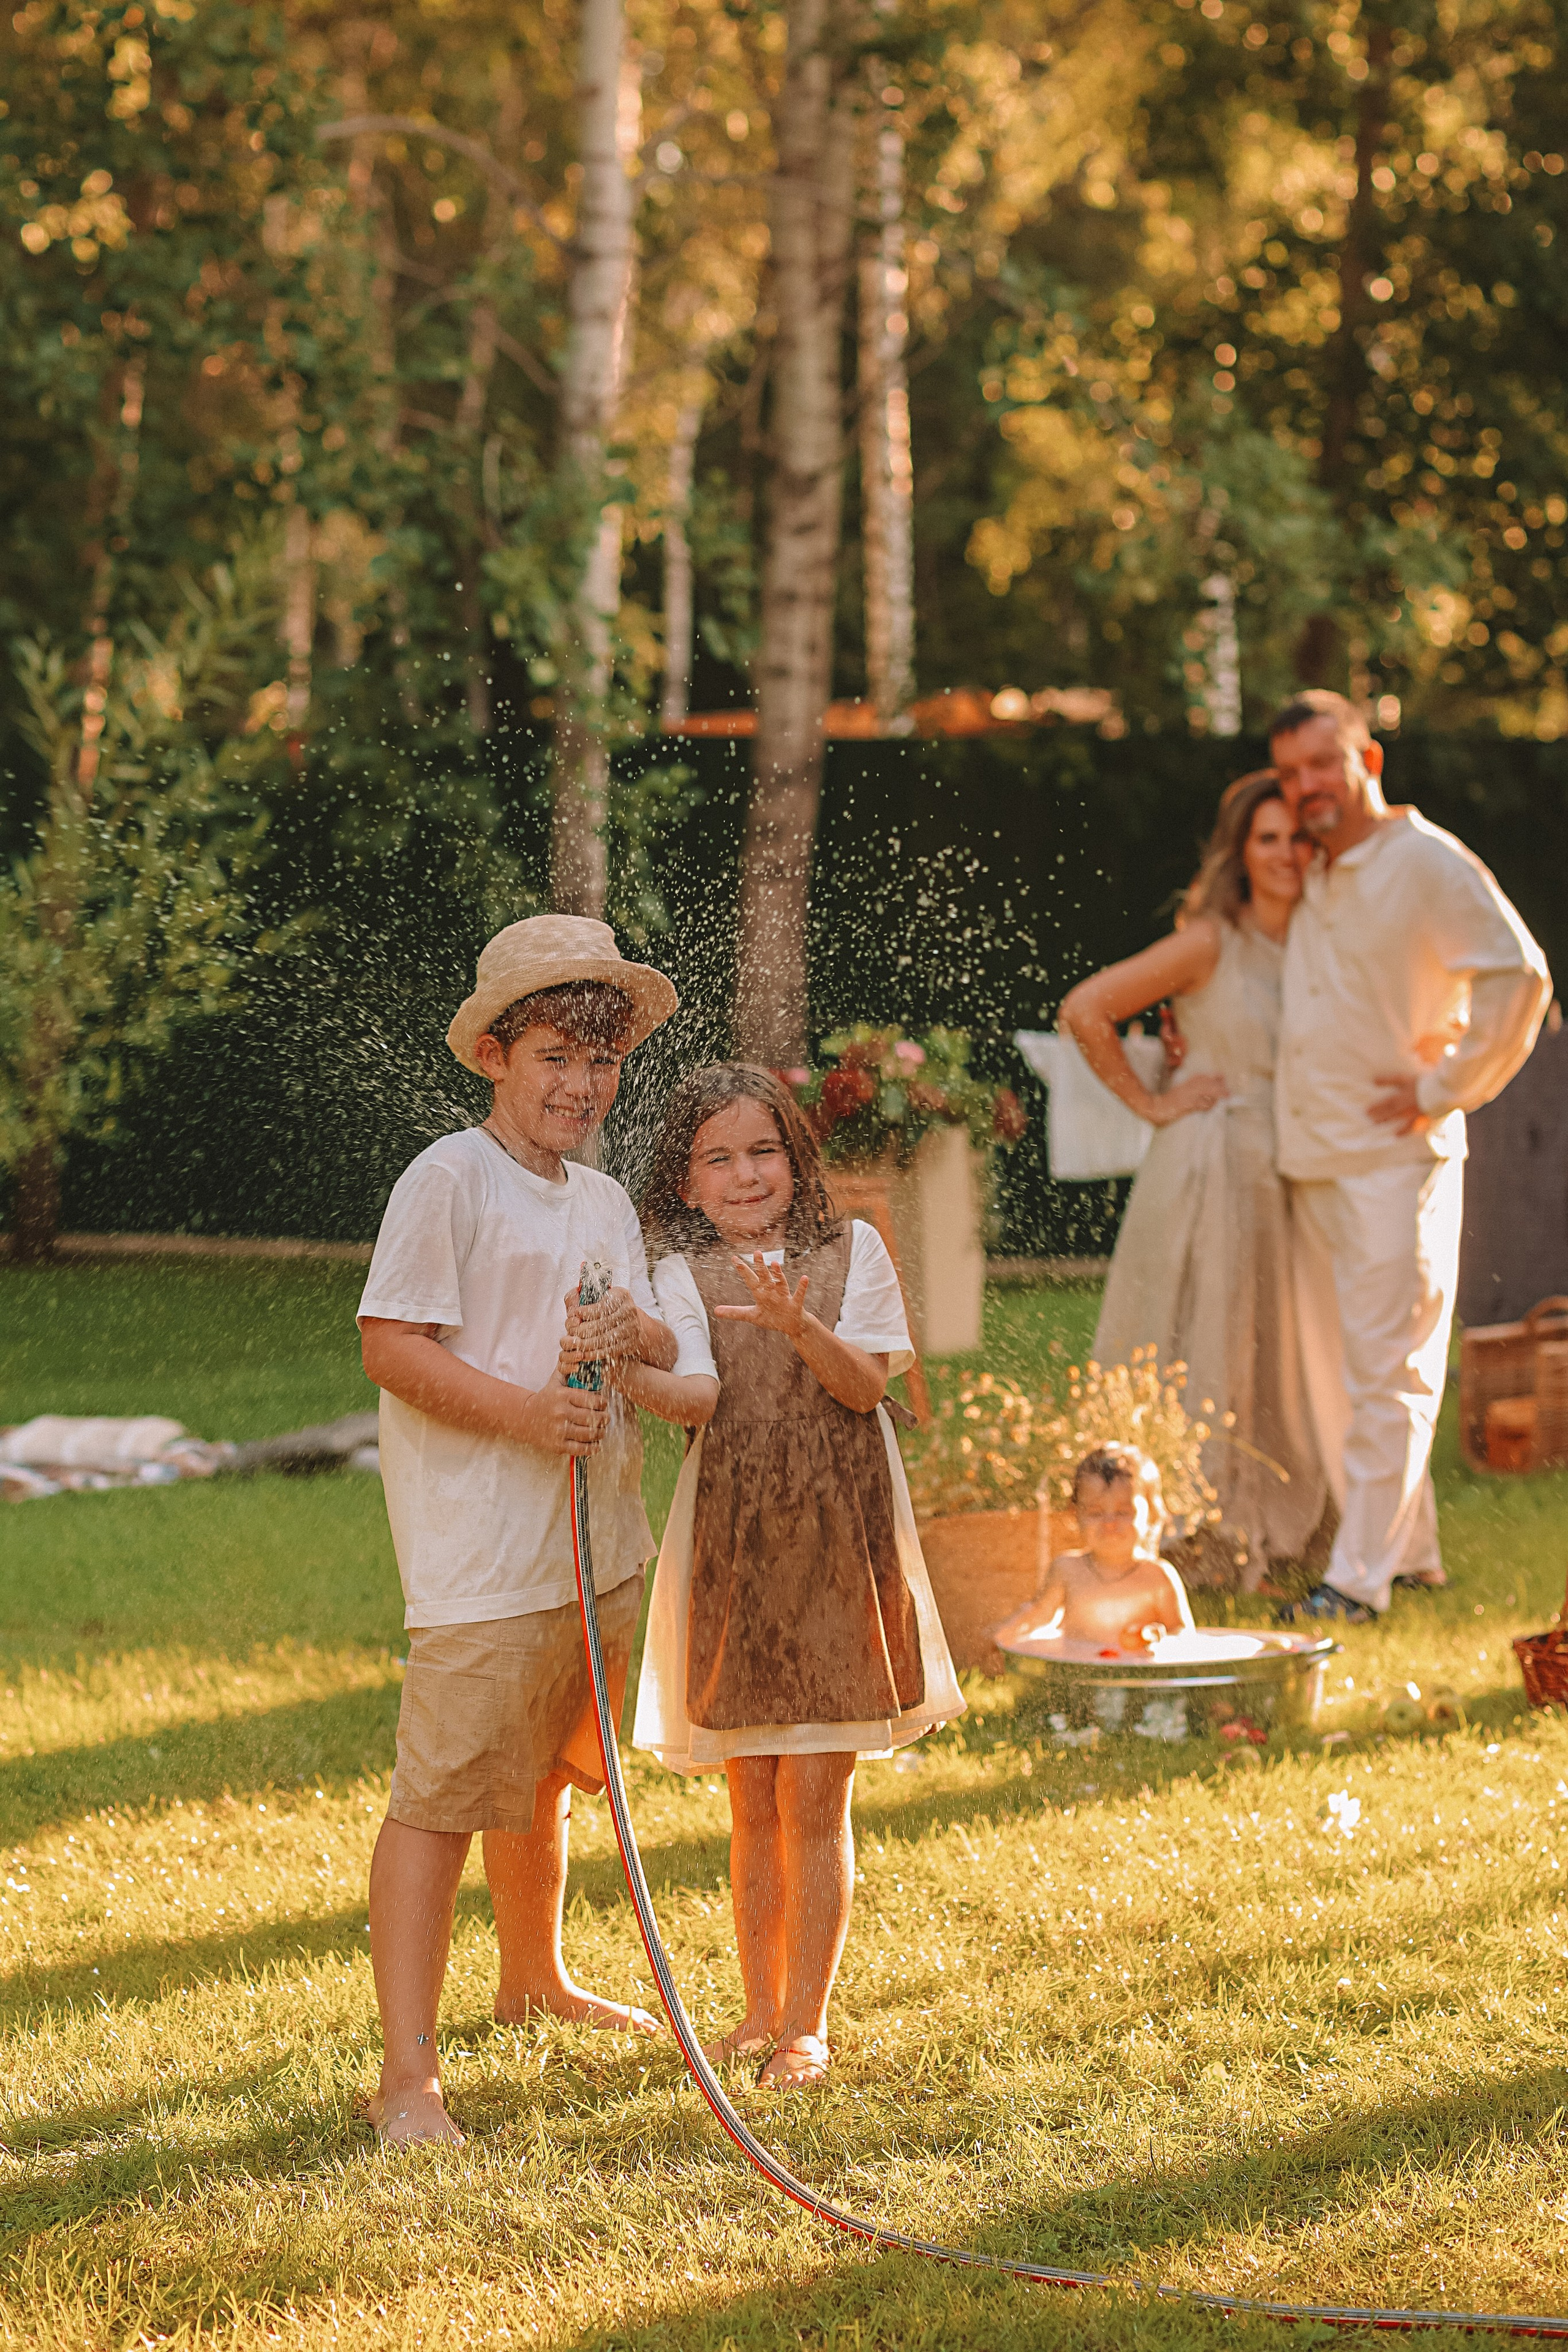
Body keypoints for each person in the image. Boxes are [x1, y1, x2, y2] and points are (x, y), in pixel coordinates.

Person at [355, 914, 681, 2146]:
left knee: (544, 1775)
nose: (580, 1083)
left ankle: (532, 1978)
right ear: (496, 1054)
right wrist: (526, 1413)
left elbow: (648, 1332)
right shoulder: (448, 1177)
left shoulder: (600, 1195)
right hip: (480, 1559)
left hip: (594, 1544)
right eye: (554, 1055)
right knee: (440, 1800)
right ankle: (405, 2078)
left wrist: (631, 1340)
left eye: (599, 1062)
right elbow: (391, 1344)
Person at [621, 1064, 963, 2089]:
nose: (743, 1174)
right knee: (753, 1789)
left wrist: (797, 1324)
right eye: (717, 1158)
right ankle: (757, 2010)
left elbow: (865, 1387)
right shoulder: (679, 1274)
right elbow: (690, 1402)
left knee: (817, 1787)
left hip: (837, 1542)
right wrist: (612, 1368)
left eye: (762, 1151)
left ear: (796, 1158)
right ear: (686, 1183)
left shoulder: (851, 1252)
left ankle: (806, 2025)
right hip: (734, 1542)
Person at [1268, 690, 1551, 1623]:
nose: (1306, 786)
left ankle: (1356, 1585)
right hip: (1311, 1160)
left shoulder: (1426, 860)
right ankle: (1414, 1553)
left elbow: (1520, 974)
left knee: (1391, 1370)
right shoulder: (1314, 870)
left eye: (1323, 764)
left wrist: (1442, 1089)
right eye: (1290, 772)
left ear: (1370, 761)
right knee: (1345, 1377)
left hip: (1399, 1161)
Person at [1058, 772, 1327, 1584]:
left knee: (1283, 1353)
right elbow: (1086, 1009)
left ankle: (1287, 1517)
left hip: (1294, 1172)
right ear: (1242, 853)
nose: (1286, 854)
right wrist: (1154, 1102)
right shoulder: (1210, 940)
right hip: (1212, 1167)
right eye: (1267, 839)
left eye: (1299, 837)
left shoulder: (1324, 941)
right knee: (1202, 1340)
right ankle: (1186, 1523)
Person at [994, 1443, 1194, 1653]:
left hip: (1140, 1680)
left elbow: (1184, 1634)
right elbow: (1039, 1615)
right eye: (1096, 1513)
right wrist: (1006, 1633)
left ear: (1152, 1514)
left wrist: (1157, 1638)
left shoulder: (1157, 1577)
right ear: (1076, 1515)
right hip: (1080, 1677)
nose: (1109, 1523)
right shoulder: (1067, 1569)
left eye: (1123, 1512)